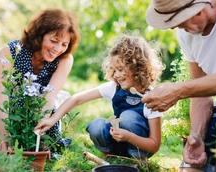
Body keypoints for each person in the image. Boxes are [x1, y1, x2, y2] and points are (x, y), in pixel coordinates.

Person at [34, 34, 165, 159]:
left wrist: (129, 137)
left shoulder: (151, 99)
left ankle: (138, 159)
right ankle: (110, 156)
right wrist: (52, 120)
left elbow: (154, 145)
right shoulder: (114, 88)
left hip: (140, 146)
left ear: (137, 67)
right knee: (97, 125)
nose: (116, 75)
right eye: (114, 70)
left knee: (128, 117)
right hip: (118, 142)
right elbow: (76, 99)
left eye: (120, 69)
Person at [145, 0, 216, 171]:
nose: (175, 28)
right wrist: (197, 136)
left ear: (198, 12)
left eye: (178, 22)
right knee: (190, 168)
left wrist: (178, 90)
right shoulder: (187, 34)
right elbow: (201, 91)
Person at [0, 8, 80, 153]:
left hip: (42, 107)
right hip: (13, 107)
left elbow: (50, 96)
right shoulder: (9, 51)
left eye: (64, 44)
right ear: (39, 36)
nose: (58, 49)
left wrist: (36, 134)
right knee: (12, 142)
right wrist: (5, 138)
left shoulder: (65, 59)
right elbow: (1, 96)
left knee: (47, 146)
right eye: (53, 41)